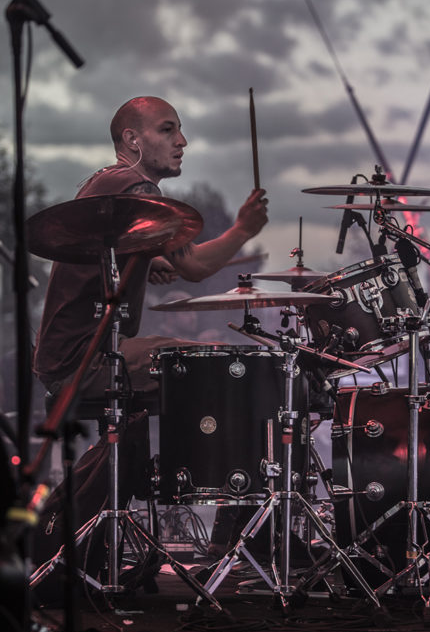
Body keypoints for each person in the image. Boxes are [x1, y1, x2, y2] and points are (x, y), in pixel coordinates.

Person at [33, 96, 269, 405]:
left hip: (71, 357)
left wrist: (147, 258)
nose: (182, 141)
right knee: (224, 366)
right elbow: (195, 266)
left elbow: (102, 252)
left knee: (204, 362)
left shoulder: (107, 181)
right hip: (86, 361)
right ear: (132, 139)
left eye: (180, 131)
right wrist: (243, 230)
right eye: (167, 130)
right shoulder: (136, 187)